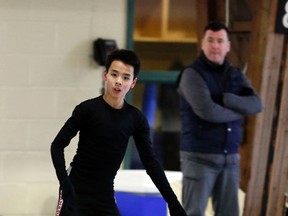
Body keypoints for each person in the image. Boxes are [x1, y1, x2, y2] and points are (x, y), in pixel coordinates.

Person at [51, 49, 187, 216]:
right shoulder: (87, 109)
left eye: (125, 77)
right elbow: (57, 145)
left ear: (133, 83)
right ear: (105, 75)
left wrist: (172, 202)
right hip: (75, 190)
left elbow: (151, 163)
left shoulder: (135, 119)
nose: (118, 82)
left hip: (104, 196)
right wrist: (65, 184)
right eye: (114, 74)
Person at [177, 21, 262, 216]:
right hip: (199, 159)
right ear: (202, 44)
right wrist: (239, 111)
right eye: (211, 40)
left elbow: (256, 104)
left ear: (228, 46)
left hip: (230, 159)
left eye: (220, 41)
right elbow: (208, 111)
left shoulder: (235, 75)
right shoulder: (191, 75)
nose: (215, 45)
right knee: (193, 213)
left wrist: (229, 99)